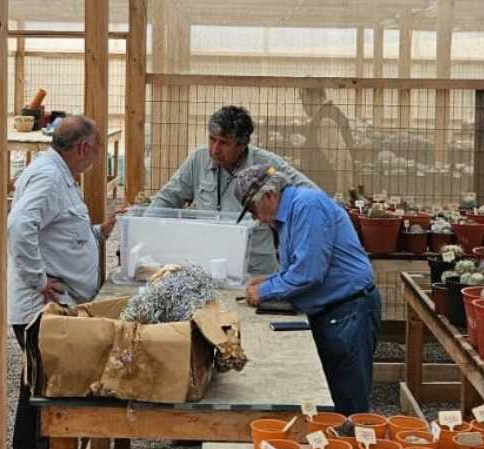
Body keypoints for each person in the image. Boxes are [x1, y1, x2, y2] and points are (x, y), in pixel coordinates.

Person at [7, 115, 120, 449]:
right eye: (97, 149)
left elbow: (58, 232)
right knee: (56, 391)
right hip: (43, 308)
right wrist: (38, 278)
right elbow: (19, 225)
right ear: (84, 147)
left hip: (47, 307)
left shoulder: (56, 173)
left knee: (35, 385)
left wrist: (98, 232)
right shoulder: (50, 177)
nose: (97, 157)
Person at [233, 164, 381, 415]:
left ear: (268, 196)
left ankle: (353, 439)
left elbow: (309, 273)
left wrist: (265, 291)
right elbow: (300, 266)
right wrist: (271, 280)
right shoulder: (289, 216)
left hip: (349, 311)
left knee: (347, 400)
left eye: (252, 209)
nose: (255, 217)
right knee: (331, 396)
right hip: (335, 311)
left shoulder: (307, 206)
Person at [150, 105, 317, 276]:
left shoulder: (267, 164)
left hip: (255, 268)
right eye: (212, 139)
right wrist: (146, 233)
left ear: (242, 145)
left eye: (224, 143)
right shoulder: (197, 159)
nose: (215, 150)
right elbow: (167, 197)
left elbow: (311, 196)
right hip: (206, 264)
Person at [298, 87, 355, 197]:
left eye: (303, 99)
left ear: (313, 98)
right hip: (324, 191)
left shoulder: (325, 120)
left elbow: (342, 159)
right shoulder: (330, 114)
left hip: (328, 192)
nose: (303, 105)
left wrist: (340, 194)